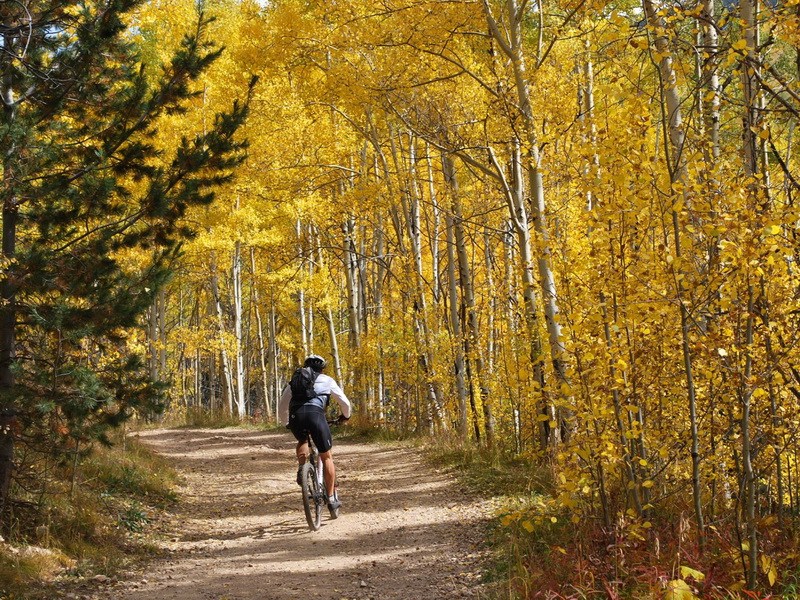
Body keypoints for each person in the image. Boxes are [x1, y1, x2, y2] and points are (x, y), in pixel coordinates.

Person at [278, 354, 351, 516]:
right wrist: (345, 416)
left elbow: (282, 405)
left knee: (302, 440)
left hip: (296, 416)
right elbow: (344, 402)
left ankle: (302, 468)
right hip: (316, 416)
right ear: (322, 369)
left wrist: (286, 423)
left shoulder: (295, 381)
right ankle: (331, 499)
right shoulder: (327, 380)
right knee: (326, 457)